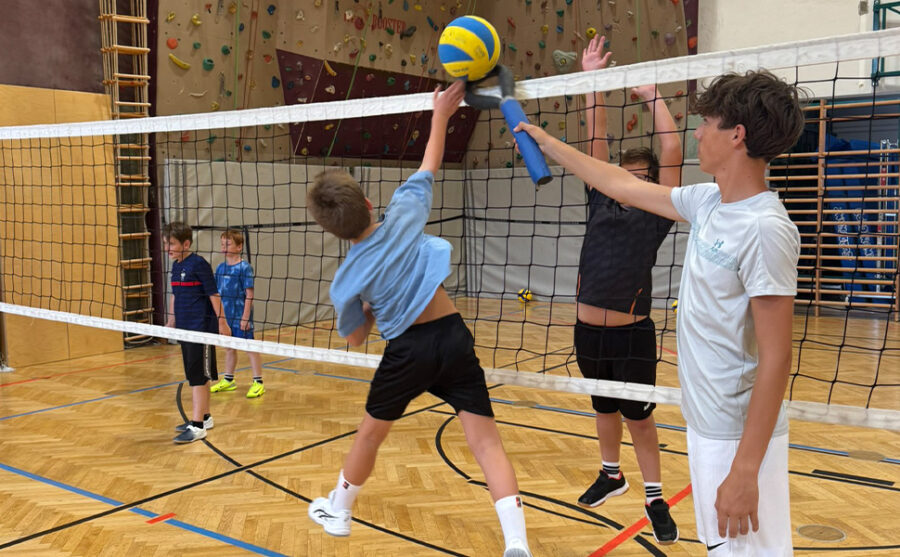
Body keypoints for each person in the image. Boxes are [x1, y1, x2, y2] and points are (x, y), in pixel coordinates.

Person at [516, 69, 803, 555]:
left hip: (735, 434)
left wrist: (745, 469)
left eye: (707, 121)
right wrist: (548, 143)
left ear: (737, 135)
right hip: (706, 420)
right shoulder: (709, 202)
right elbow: (618, 184)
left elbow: (777, 358)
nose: (697, 132)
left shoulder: (764, 228)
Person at [305, 80, 531, 557]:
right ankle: (516, 545)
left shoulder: (344, 281)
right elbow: (430, 161)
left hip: (407, 350)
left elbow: (355, 339)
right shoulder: (405, 210)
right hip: (452, 337)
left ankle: (340, 512)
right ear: (369, 203)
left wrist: (367, 305)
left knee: (371, 434)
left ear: (331, 231)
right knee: (486, 443)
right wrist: (441, 114)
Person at [573, 35, 681, 545]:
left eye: (640, 177)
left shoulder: (660, 212)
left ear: (654, 184)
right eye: (624, 176)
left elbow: (673, 151)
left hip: (633, 333)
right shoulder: (599, 200)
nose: (628, 183)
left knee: (639, 417)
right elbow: (596, 142)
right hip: (586, 332)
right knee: (603, 408)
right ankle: (611, 474)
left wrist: (651, 96)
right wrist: (592, 79)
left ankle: (655, 496)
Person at [164, 221, 232, 444]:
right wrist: (171, 320)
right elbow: (175, 295)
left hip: (200, 329)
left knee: (198, 376)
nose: (168, 248)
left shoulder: (199, 264)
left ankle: (198, 426)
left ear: (186, 243)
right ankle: (205, 417)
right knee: (195, 374)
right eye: (166, 243)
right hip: (185, 329)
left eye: (171, 244)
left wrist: (222, 324)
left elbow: (214, 295)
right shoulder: (176, 266)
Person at [211, 228, 265, 398]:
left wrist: (245, 318)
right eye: (222, 243)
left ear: (239, 246)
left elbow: (249, 294)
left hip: (241, 316)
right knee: (229, 348)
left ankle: (258, 382)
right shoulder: (220, 268)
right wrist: (219, 317)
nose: (224, 246)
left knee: (250, 347)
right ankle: (228, 380)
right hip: (226, 317)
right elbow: (216, 294)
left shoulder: (244, 267)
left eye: (228, 243)